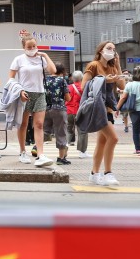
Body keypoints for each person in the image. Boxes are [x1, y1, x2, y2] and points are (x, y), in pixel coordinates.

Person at [8, 35, 57, 167]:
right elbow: (11, 79)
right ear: (24, 47)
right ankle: (22, 151)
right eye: (29, 47)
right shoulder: (19, 59)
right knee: (23, 124)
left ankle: (40, 155)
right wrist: (19, 91)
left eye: (34, 46)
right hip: (25, 94)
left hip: (40, 93)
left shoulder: (41, 59)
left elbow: (53, 71)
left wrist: (45, 55)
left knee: (39, 124)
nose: (32, 49)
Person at [82, 41, 126, 186]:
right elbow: (84, 86)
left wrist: (118, 65)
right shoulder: (93, 65)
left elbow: (122, 86)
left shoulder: (112, 67)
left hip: (107, 108)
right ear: (100, 50)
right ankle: (108, 173)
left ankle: (94, 174)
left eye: (114, 49)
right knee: (113, 138)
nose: (112, 51)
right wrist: (103, 80)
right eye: (108, 48)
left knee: (102, 142)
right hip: (97, 108)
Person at [117, 66, 140, 158]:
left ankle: (138, 149)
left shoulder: (129, 85)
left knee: (136, 130)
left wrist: (117, 108)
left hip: (134, 110)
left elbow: (123, 97)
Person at [43, 63, 72, 164]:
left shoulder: (45, 80)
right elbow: (68, 98)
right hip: (59, 109)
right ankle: (61, 158)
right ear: (62, 71)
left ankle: (37, 149)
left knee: (45, 131)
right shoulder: (62, 80)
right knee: (61, 133)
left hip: (46, 109)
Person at [67, 70, 88, 158]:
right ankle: (82, 152)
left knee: (68, 130)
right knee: (82, 131)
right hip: (80, 112)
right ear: (82, 78)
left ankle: (65, 149)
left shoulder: (68, 87)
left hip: (69, 111)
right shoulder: (84, 87)